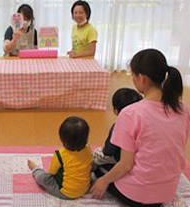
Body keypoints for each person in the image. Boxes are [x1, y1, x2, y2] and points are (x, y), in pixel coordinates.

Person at [90, 48, 190, 206]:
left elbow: (125, 165)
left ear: (142, 78)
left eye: (133, 75)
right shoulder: (184, 109)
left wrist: (103, 181)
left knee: (99, 169)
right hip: (168, 191)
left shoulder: (131, 113)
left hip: (137, 195)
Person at [27, 116, 92, 199]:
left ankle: (35, 169)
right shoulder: (88, 149)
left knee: (43, 178)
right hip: (85, 188)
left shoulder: (60, 154)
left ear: (63, 139)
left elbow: (52, 172)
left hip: (65, 192)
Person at [93, 88, 143, 177]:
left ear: (115, 110)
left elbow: (108, 151)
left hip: (123, 163)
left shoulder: (117, 128)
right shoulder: (146, 123)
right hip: (141, 164)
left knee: (96, 160)